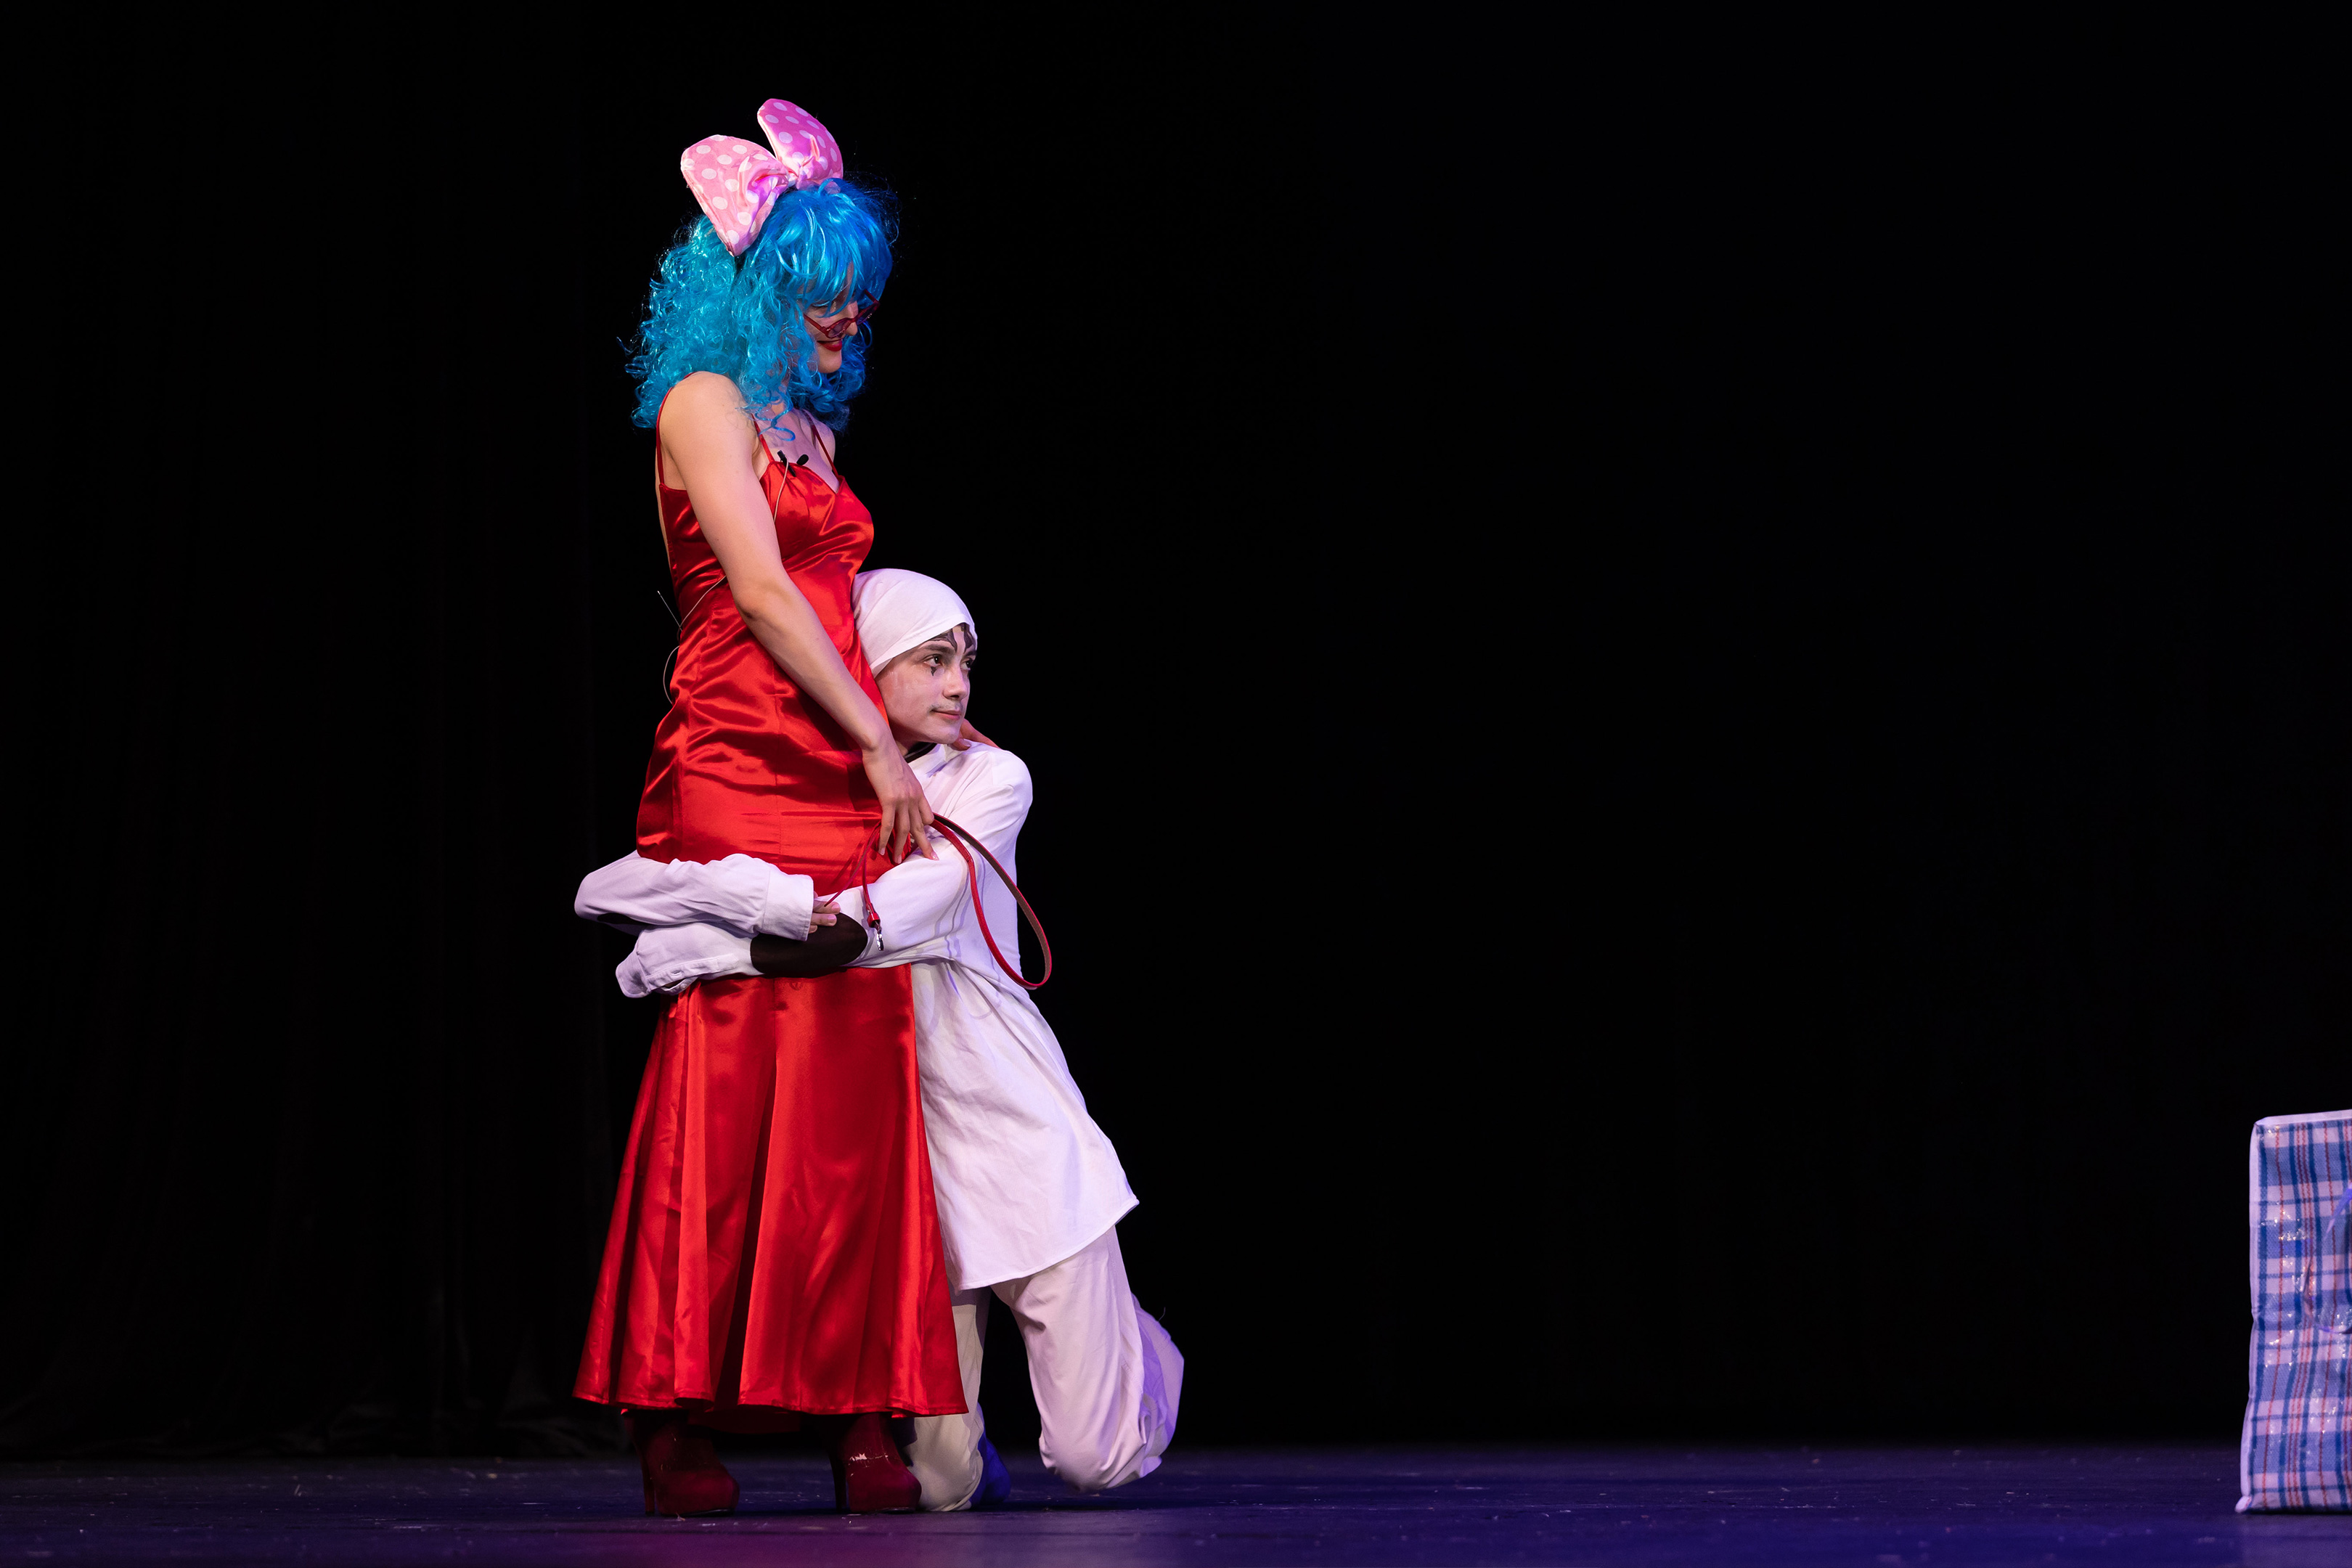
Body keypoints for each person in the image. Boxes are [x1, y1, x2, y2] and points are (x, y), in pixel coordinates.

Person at [577, 569, 1183, 1511]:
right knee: (940, 1489)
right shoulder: (821, 789)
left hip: (1017, 1138)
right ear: (862, 666)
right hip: (911, 1167)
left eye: (965, 663)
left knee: (1095, 1460)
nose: (958, 686)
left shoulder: (989, 777)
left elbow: (870, 927)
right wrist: (725, 910)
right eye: (932, 661)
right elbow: (608, 887)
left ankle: (1137, 1344)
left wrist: (693, 946)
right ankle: (989, 1437)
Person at [571, 102, 965, 1519]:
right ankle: (674, 1407)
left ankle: (860, 1403)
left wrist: (909, 725)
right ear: (758, 292)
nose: (851, 322)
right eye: (826, 300)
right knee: (732, 1069)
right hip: (743, 756)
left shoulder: (808, 428)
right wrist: (876, 747)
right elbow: (756, 595)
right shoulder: (704, 405)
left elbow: (843, 608)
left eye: (860, 301)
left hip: (841, 755)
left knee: (857, 1072)